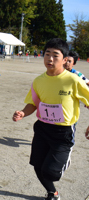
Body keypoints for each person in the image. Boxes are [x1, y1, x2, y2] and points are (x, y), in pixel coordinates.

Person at [12, 38, 89, 200]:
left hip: (63, 133)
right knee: (38, 166)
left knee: (51, 172)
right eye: (47, 54)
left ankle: (63, 161)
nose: (50, 59)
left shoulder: (73, 80)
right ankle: (52, 193)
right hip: (42, 128)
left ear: (65, 59)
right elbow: (33, 103)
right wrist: (22, 113)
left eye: (55, 55)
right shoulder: (39, 81)